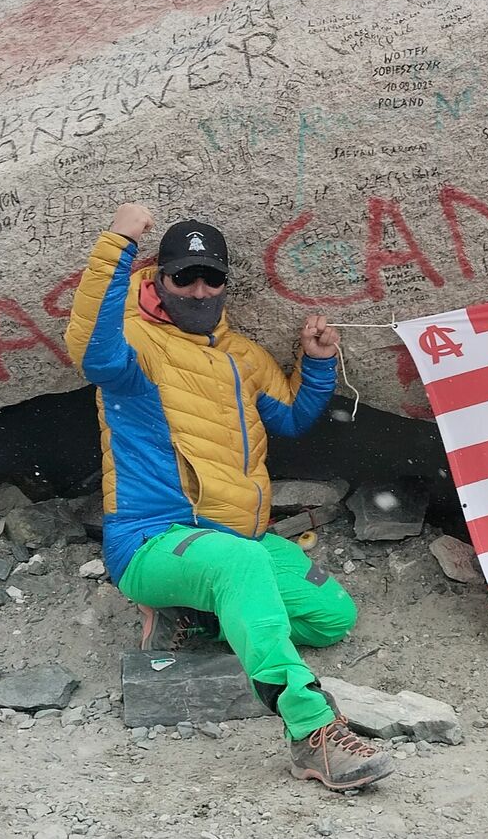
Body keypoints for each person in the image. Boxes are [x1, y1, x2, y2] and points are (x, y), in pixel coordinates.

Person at [63, 203, 394, 792]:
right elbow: (90, 349)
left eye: (210, 278)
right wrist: (116, 242)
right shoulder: (134, 343)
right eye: (183, 277)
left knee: (330, 618)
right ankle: (312, 730)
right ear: (160, 277)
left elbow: (290, 419)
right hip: (152, 542)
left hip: (238, 536)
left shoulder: (243, 355)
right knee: (238, 565)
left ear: (224, 284)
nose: (198, 290)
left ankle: (193, 616)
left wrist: (317, 364)